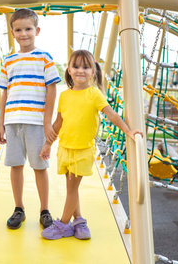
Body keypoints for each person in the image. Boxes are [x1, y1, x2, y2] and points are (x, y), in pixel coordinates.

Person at [40, 49, 143, 240]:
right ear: (69, 70)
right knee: (72, 188)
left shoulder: (94, 94)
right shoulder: (64, 96)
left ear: (93, 71)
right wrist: (48, 144)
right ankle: (79, 222)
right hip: (65, 148)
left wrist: (128, 130)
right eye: (76, 66)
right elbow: (58, 122)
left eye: (86, 67)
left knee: (71, 189)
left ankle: (63, 225)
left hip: (82, 149)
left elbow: (111, 114)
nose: (81, 70)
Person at [0, 8, 61, 230]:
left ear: (37, 30)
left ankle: (44, 209)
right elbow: (4, 93)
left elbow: (51, 90)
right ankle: (19, 209)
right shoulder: (8, 61)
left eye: (28, 29)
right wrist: (0, 123)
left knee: (39, 167)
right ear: (12, 32)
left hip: (35, 121)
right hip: (13, 121)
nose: (23, 33)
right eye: (18, 29)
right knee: (16, 165)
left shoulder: (44, 58)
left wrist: (47, 122)